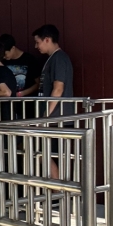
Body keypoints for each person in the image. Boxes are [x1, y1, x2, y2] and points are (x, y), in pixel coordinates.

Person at [34, 24, 74, 179]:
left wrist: (46, 116)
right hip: (54, 118)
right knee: (45, 154)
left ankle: (58, 190)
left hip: (57, 118)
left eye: (38, 42)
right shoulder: (53, 59)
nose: (36, 46)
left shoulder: (59, 58)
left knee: (45, 154)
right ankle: (58, 189)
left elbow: (58, 88)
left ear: (47, 40)